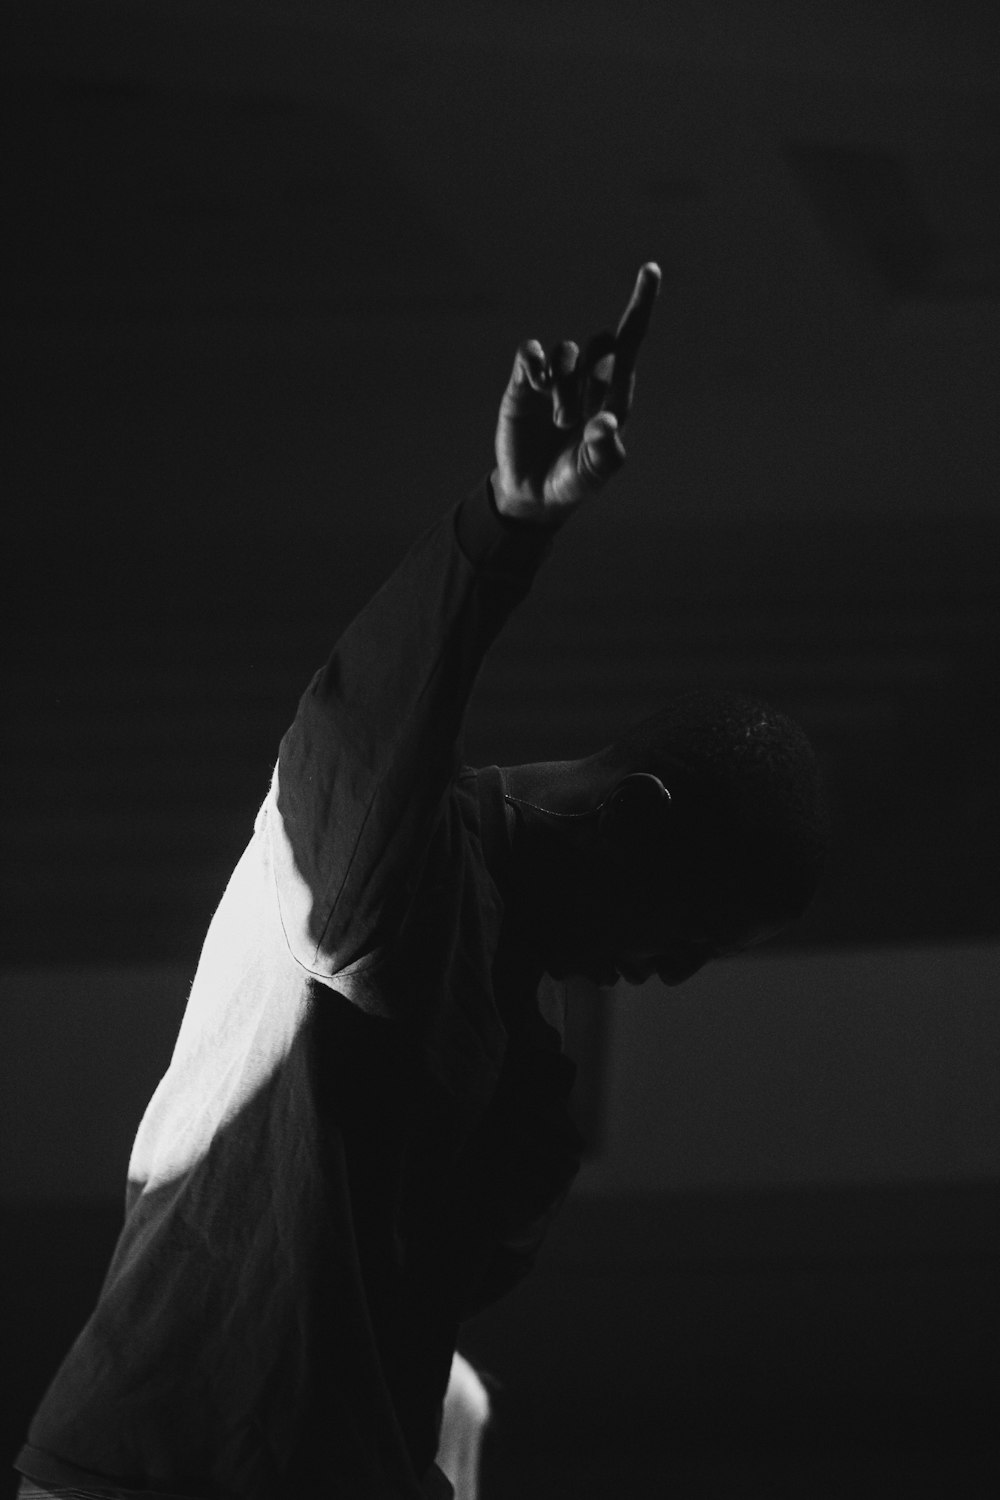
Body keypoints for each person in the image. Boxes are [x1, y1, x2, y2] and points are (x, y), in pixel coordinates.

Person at [15, 263, 827, 1500]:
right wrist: (508, 527)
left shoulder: (525, 1034)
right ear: (635, 815)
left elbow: (386, 1289)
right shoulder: (388, 862)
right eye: (693, 931)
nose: (668, 970)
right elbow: (365, 723)